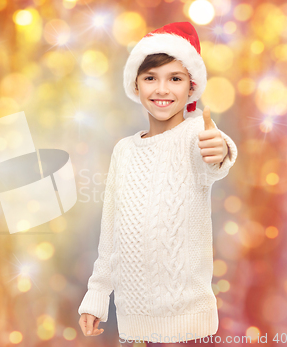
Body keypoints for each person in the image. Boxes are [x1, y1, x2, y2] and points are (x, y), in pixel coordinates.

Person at [77, 21, 238, 346]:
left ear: (191, 87)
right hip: (134, 320)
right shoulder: (124, 151)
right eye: (151, 78)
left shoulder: (196, 136)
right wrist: (96, 297)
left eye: (175, 79)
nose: (162, 89)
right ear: (136, 85)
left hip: (190, 322)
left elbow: (215, 159)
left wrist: (219, 149)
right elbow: (110, 236)